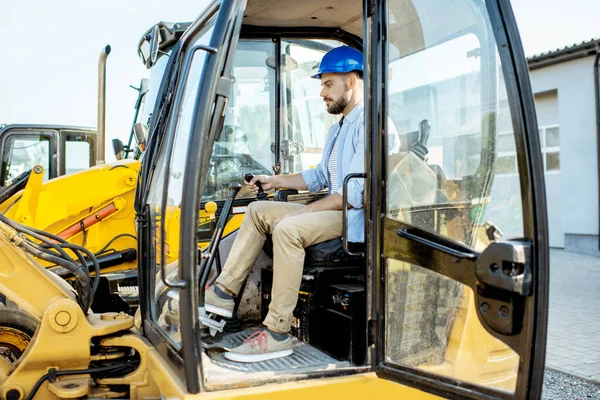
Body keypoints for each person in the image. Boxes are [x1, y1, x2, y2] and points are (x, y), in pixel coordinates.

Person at [204, 46, 366, 363]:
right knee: (258, 210)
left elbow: (354, 195)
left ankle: (277, 332)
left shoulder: (370, 124)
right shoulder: (338, 129)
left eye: (328, 84)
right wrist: (273, 181)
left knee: (289, 229)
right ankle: (223, 293)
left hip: (353, 219)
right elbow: (320, 177)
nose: (322, 92)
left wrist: (304, 212)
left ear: (350, 81)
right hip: (334, 208)